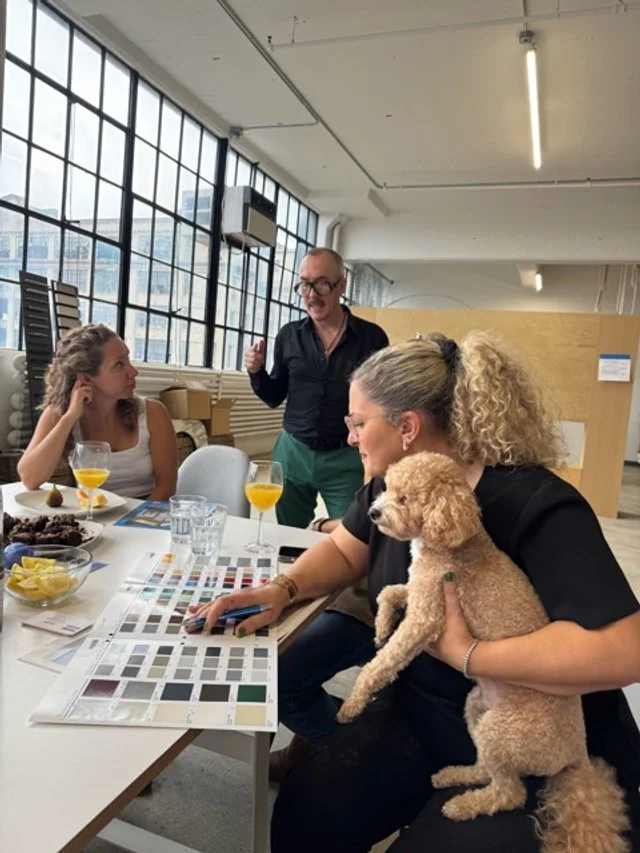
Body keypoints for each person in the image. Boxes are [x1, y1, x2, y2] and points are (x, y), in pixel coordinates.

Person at [192, 332, 640, 852]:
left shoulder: (535, 502)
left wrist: (469, 654)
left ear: (407, 427)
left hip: (539, 740)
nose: (351, 437)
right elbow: (342, 550)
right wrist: (282, 588)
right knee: (306, 813)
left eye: (358, 423)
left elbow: (623, 647)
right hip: (426, 710)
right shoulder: (389, 486)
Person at [244, 247, 388, 528]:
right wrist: (256, 371)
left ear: (341, 285)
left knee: (349, 533)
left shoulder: (372, 338)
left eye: (321, 283)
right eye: (304, 284)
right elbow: (274, 396)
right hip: (293, 453)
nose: (312, 294)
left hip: (344, 456)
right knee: (287, 533)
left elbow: (382, 402)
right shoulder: (288, 336)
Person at [18, 323, 178, 500]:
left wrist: (132, 522)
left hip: (145, 515)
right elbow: (29, 479)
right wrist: (69, 418)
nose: (133, 371)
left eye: (128, 360)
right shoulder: (60, 414)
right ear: (85, 378)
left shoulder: (153, 413)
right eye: (119, 365)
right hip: (93, 515)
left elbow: (167, 487)